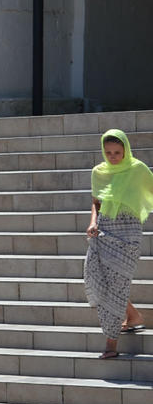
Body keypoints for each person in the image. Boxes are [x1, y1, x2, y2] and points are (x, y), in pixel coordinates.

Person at [84, 129, 153, 359]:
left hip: (128, 234)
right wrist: (93, 222)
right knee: (97, 280)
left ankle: (111, 345)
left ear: (126, 150)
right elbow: (96, 202)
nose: (113, 157)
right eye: (108, 152)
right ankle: (133, 317)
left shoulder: (138, 169)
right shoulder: (99, 172)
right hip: (103, 231)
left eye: (117, 152)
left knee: (117, 284)